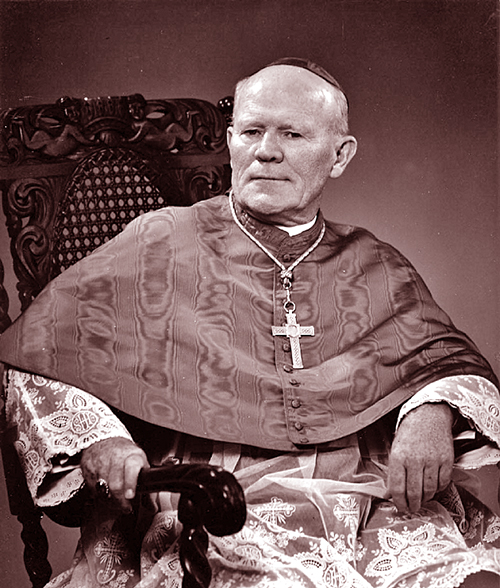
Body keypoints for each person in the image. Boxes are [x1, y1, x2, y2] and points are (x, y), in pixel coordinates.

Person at [1, 58, 500, 588]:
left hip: (373, 498)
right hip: (215, 501)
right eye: (252, 131)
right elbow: (36, 352)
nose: (266, 151)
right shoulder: (159, 241)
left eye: (292, 133)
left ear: (340, 155)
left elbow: (446, 358)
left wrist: (432, 411)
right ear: (232, 141)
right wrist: (101, 440)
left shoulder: (374, 261)